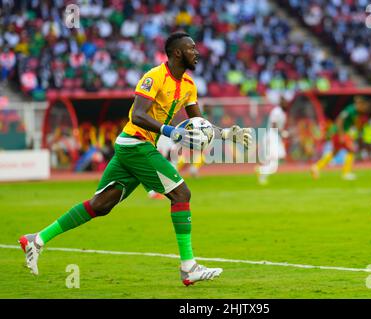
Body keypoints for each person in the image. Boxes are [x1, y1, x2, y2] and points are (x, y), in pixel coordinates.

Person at [19, 32, 252, 286]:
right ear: (177, 53)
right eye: (191, 48)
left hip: (136, 146)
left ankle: (36, 239)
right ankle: (188, 268)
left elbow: (199, 122)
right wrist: (170, 130)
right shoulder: (154, 77)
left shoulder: (189, 85)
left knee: (100, 205)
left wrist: (226, 134)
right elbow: (138, 115)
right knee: (181, 194)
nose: (197, 52)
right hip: (135, 143)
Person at [311, 95, 371, 180]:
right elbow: (339, 120)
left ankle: (316, 167)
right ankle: (346, 173)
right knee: (351, 150)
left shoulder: (355, 112)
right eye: (364, 105)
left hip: (338, 132)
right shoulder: (351, 110)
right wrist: (341, 135)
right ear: (360, 104)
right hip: (338, 133)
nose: (364, 108)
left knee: (334, 152)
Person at [256, 94, 290, 185]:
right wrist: (282, 133)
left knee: (278, 158)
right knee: (274, 163)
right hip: (272, 136)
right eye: (285, 103)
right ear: (281, 103)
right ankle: (260, 170)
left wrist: (283, 133)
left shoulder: (282, 113)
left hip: (275, 137)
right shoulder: (277, 111)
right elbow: (274, 125)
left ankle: (262, 176)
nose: (287, 105)